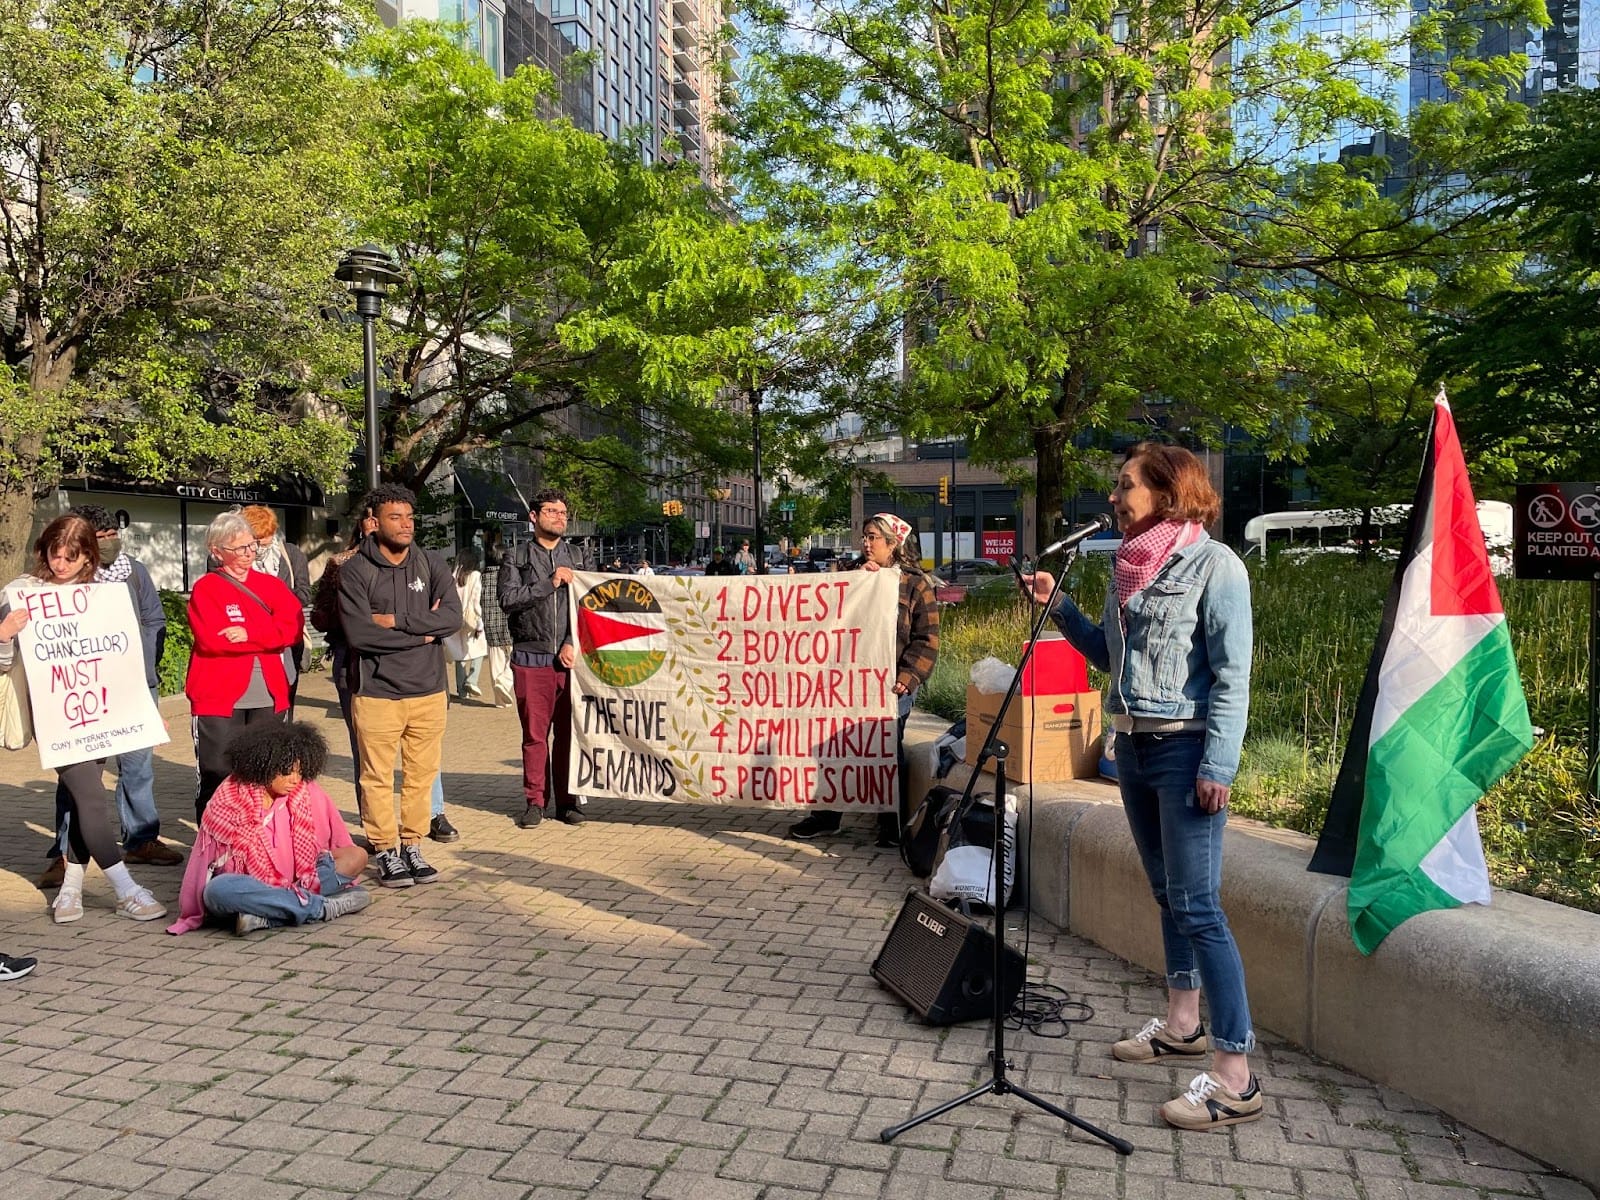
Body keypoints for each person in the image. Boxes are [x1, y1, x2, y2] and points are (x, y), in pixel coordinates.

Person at [1023, 442, 1259, 1131]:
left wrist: (1218, 765)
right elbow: (1111, 657)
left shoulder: (1217, 567)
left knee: (1199, 907)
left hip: (1186, 752)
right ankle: (1182, 1025)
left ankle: (1235, 1075)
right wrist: (1061, 608)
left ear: (1167, 490)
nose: (1115, 496)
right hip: (1133, 746)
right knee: (1167, 895)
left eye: (1126, 485)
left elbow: (1232, 675)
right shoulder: (1126, 566)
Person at [1, 515, 167, 924]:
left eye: (71, 558)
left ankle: (71, 892)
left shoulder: (102, 596)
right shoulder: (21, 592)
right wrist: (4, 633)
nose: (61, 565)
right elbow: (6, 665)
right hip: (56, 715)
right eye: (55, 555)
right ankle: (126, 889)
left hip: (100, 711)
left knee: (83, 800)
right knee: (91, 797)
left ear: (87, 557)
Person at [38, 505, 180, 892]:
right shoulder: (60, 583)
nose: (109, 543)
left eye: (111, 535)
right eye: (98, 538)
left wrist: (140, 662)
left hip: (134, 684)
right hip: (81, 691)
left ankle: (141, 839)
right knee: (80, 779)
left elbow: (154, 618)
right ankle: (65, 853)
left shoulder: (134, 571)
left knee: (138, 767)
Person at [788, 513, 939, 847]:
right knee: (836, 747)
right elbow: (823, 613)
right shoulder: (852, 574)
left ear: (892, 543)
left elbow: (927, 638)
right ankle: (826, 817)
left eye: (873, 537)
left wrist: (909, 676)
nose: (866, 544)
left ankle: (891, 825)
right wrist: (857, 582)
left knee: (886, 749)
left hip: (890, 685)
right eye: (864, 537)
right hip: (847, 682)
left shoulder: (916, 584)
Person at [313, 507, 461, 845]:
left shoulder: (431, 563)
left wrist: (394, 620)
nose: (407, 523)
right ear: (371, 523)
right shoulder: (347, 568)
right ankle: (383, 845)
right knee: (375, 773)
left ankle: (414, 840)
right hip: (373, 685)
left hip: (427, 687)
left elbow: (451, 618)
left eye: (410, 516)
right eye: (395, 517)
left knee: (421, 773)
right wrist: (424, 629)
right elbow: (360, 634)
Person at [167, 722, 370, 936]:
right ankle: (321, 908)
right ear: (264, 766)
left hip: (299, 880)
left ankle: (266, 916)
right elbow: (201, 863)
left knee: (356, 856)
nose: (295, 780)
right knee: (217, 890)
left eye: (299, 772)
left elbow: (336, 841)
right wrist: (191, 910)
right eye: (286, 772)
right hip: (249, 888)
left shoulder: (307, 791)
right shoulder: (228, 799)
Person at [187, 511, 302, 819]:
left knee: (265, 773)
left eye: (251, 546)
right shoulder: (206, 588)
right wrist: (268, 635)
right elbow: (213, 639)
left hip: (268, 691)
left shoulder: (272, 586)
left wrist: (249, 633)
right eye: (239, 548)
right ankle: (213, 849)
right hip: (218, 696)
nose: (249, 553)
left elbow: (291, 629)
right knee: (217, 772)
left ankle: (258, 841)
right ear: (217, 551)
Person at [499, 490, 586, 828]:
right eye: (551, 511)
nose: (559, 517)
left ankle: (567, 801)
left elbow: (587, 605)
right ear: (533, 516)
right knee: (535, 737)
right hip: (530, 658)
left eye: (563, 512)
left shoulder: (578, 555)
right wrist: (549, 583)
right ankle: (535, 801)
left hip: (570, 660)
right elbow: (508, 599)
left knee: (569, 735)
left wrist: (570, 641)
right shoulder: (516, 556)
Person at [240, 506, 312, 717]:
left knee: (284, 700)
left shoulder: (290, 554)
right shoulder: (231, 559)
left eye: (268, 537)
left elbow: (304, 592)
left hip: (285, 640)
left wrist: (278, 605)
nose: (264, 544)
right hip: (248, 641)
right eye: (259, 539)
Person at [444, 547, 488, 701]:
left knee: (459, 653)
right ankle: (472, 680)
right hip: (470, 619)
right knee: (480, 648)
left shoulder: (452, 576)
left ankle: (461, 689)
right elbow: (476, 601)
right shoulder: (475, 575)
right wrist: (479, 623)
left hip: (454, 619)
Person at [479, 536, 515, 708]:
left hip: (490, 623)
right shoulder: (508, 576)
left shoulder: (482, 577)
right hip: (509, 621)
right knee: (514, 658)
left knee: (496, 661)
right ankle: (505, 681)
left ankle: (500, 702)